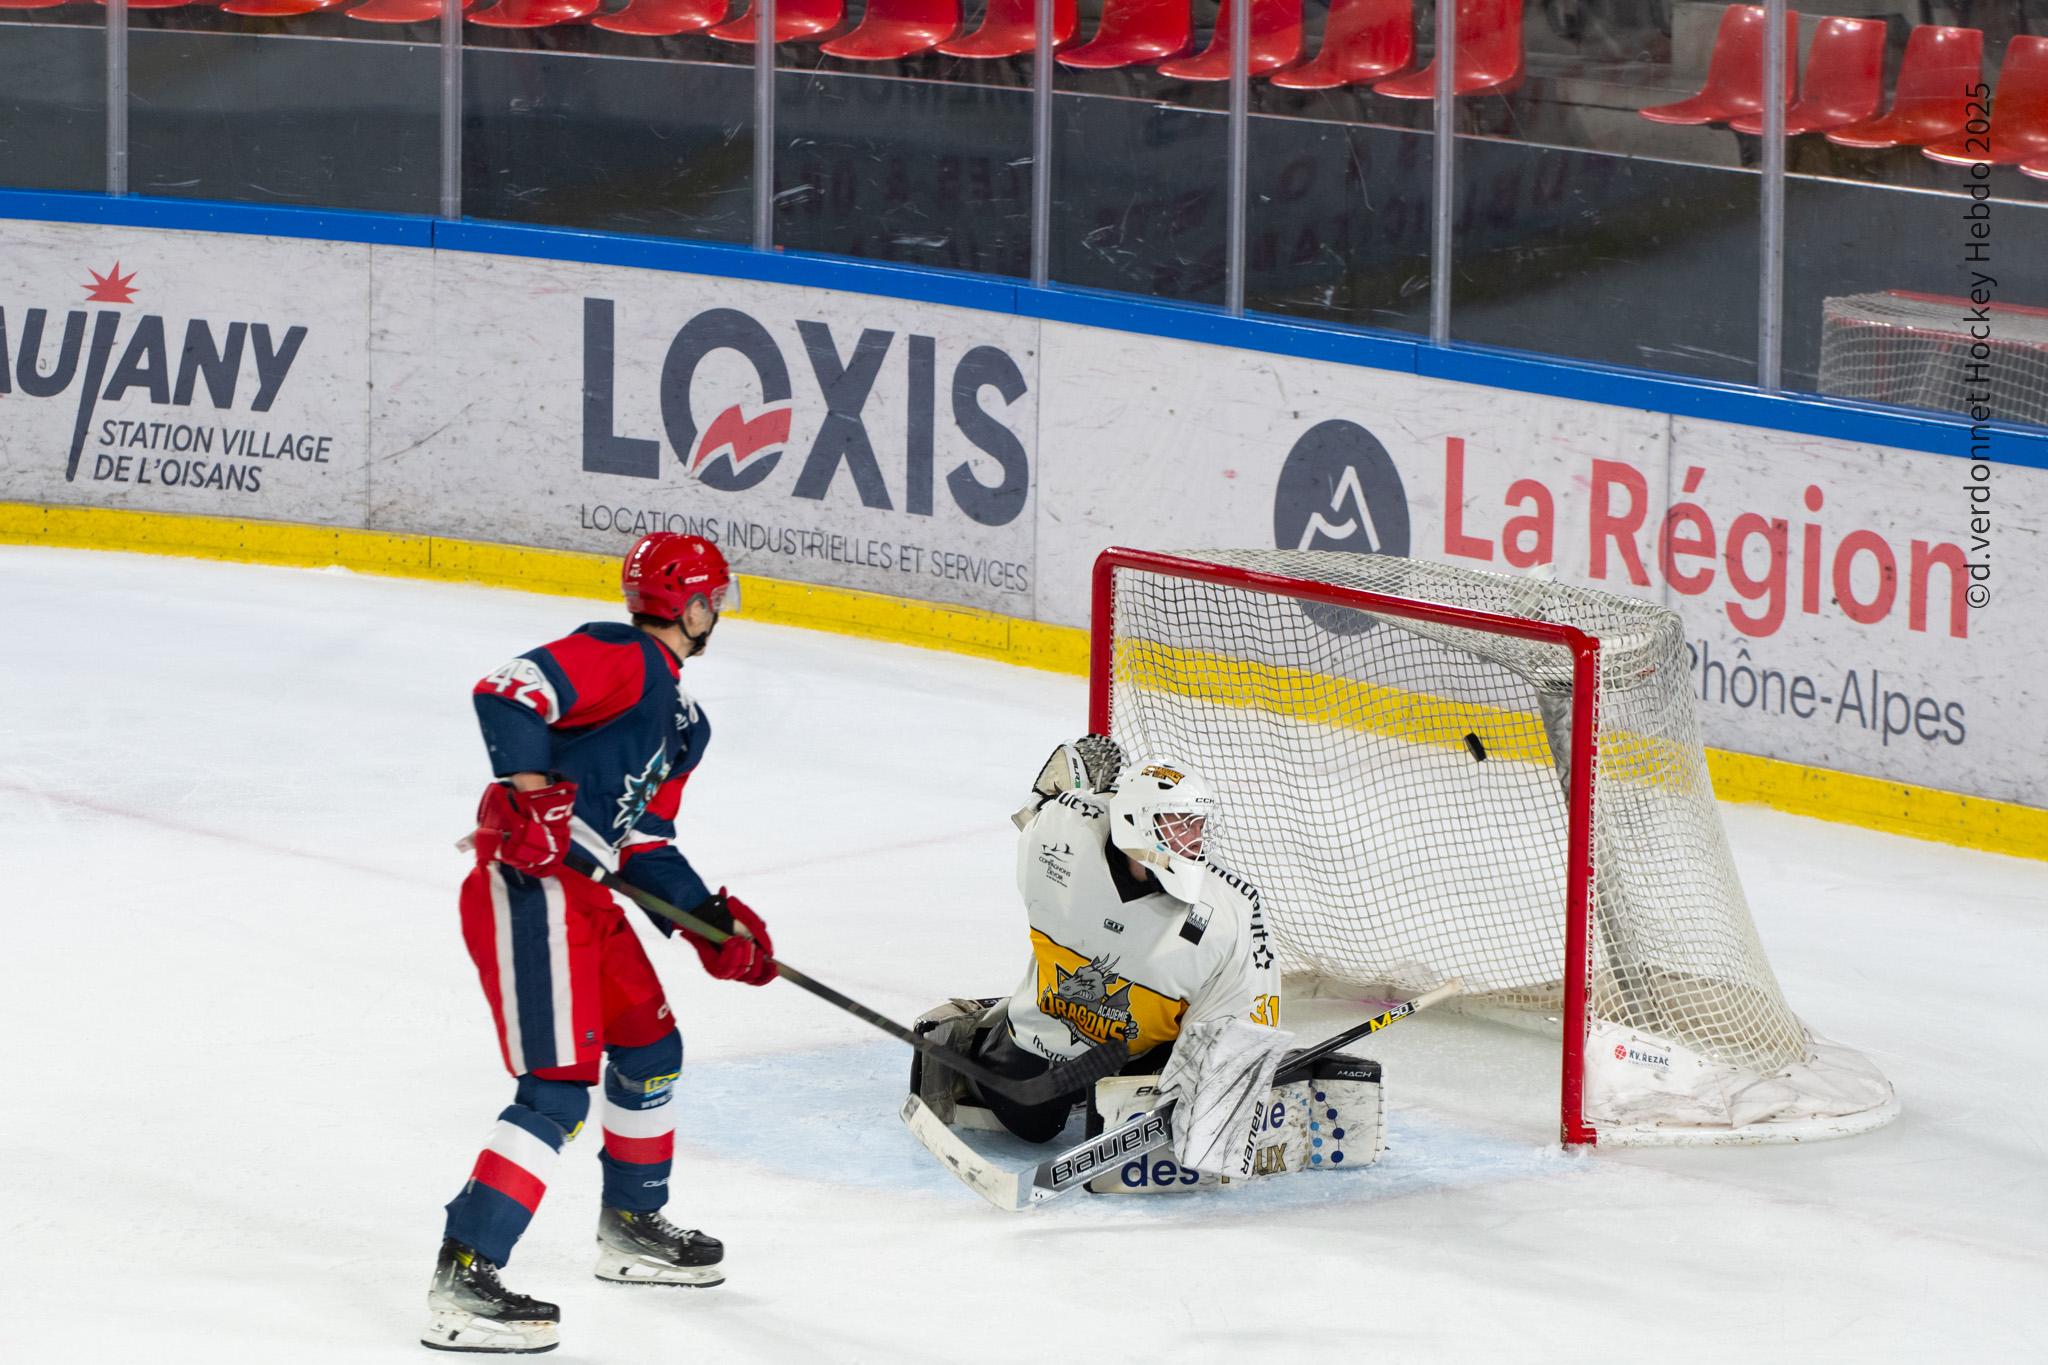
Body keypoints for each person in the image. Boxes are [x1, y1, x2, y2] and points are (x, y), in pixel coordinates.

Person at [423, 533, 776, 1356]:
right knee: (557, 1089)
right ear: (690, 604)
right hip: (533, 890)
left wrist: (714, 926)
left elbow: (645, 844)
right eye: (711, 599)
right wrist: (534, 797)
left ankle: (632, 1224)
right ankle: (464, 1271)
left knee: (652, 1046)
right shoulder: (619, 654)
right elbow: (505, 695)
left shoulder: (686, 721)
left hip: (592, 897)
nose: (714, 613)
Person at [913, 737, 1288, 1168]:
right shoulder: (1060, 837)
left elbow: (1241, 1026)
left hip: (1145, 1056)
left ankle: (1110, 1079)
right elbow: (1046, 805)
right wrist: (1063, 790)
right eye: (1178, 824)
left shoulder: (1229, 913)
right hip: (1049, 1032)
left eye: (1197, 825)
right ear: (1135, 823)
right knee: (1030, 1122)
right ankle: (987, 1029)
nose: (1193, 839)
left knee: (1142, 1115)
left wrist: (1219, 1089)